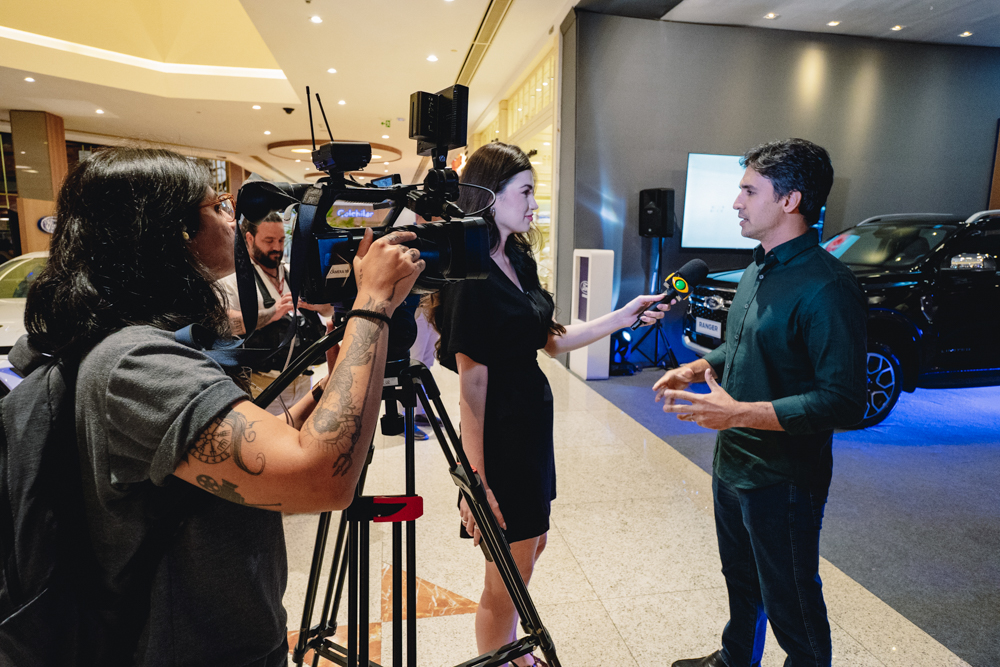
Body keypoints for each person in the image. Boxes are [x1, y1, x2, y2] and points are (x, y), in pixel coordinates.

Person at [23, 147, 424, 666]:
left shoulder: (144, 342)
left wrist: (328, 388)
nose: (233, 220)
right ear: (170, 231)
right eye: (217, 207)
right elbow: (321, 479)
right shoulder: (135, 363)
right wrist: (373, 303)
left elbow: (259, 443)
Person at [432, 141, 667, 667]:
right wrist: (475, 481)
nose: (534, 203)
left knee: (533, 545)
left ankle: (512, 651)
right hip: (500, 436)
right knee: (509, 571)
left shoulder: (516, 257)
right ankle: (502, 658)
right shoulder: (471, 276)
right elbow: (472, 386)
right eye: (525, 192)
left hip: (531, 429)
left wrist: (624, 315)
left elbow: (552, 340)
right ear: (489, 196)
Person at [653, 139, 867, 667]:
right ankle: (736, 659)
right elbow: (744, 344)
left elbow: (843, 402)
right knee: (741, 579)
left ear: (790, 200)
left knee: (791, 598)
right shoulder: (757, 268)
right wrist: (697, 367)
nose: (736, 203)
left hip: (784, 477)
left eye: (749, 191)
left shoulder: (828, 287)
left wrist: (737, 414)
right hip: (734, 463)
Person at [217, 211, 332, 420]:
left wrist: (318, 305)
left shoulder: (292, 273)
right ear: (249, 238)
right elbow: (224, 324)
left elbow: (329, 311)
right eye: (269, 241)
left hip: (303, 380)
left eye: (280, 240)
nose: (277, 247)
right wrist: (273, 312)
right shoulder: (232, 279)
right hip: (260, 385)